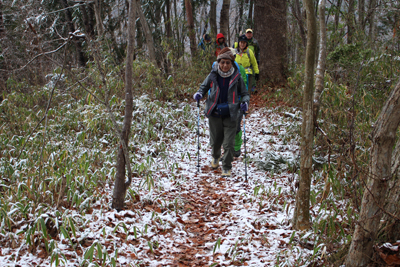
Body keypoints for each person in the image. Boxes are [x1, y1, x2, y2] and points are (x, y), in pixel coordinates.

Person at [193, 47, 250, 177]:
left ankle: (227, 166)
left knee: (229, 144)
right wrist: (199, 93)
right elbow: (203, 87)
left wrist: (245, 102)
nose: (225, 65)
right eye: (222, 62)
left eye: (228, 62)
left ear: (232, 63)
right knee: (215, 141)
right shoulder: (213, 75)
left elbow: (245, 93)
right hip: (214, 113)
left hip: (231, 113)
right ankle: (216, 156)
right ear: (218, 62)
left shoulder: (237, 76)